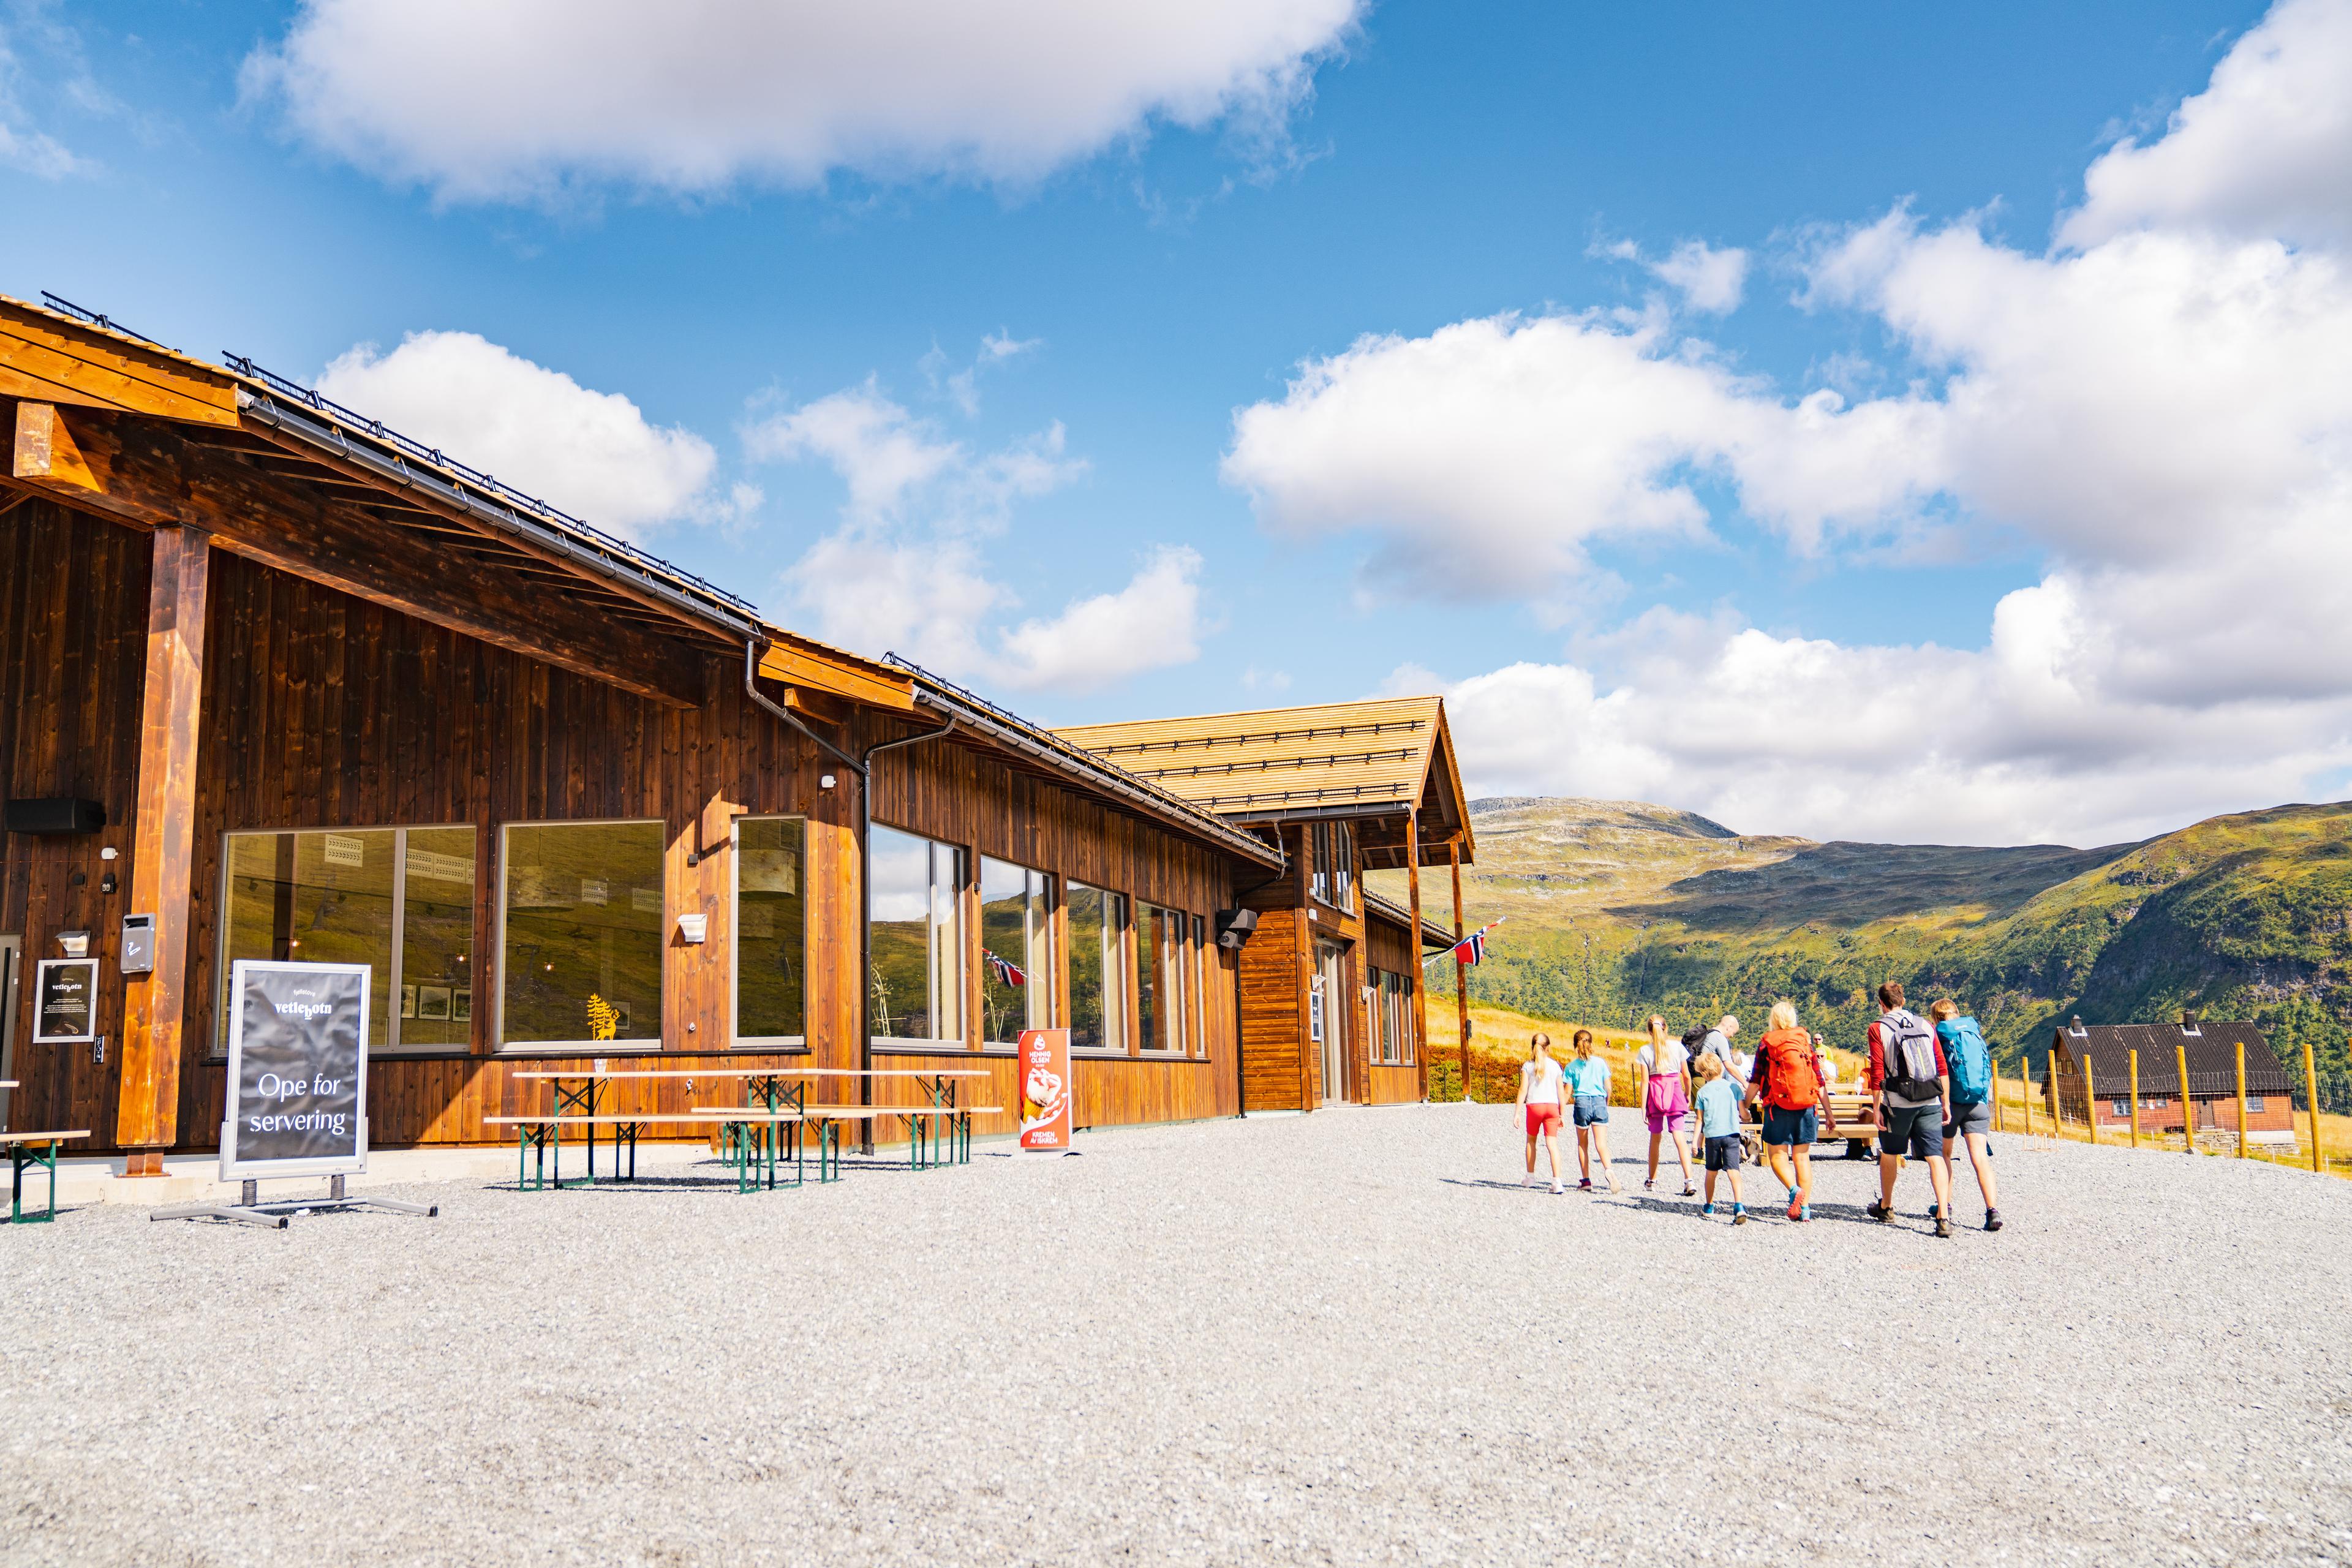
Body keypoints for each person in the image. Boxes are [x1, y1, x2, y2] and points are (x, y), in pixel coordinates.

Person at [1864, 982, 1956, 1239]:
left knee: (1890, 1153)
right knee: (1935, 1156)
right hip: (1930, 1100)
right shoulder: (1926, 1025)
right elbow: (1941, 1067)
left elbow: (1877, 1072)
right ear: (1903, 1001)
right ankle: (1944, 1216)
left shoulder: (1878, 1028)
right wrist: (1945, 1102)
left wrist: (1876, 1106)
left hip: (1898, 1103)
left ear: (1881, 1004)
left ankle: (1886, 1207)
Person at [1746, 999, 1836, 1221]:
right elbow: (1819, 1079)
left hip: (1778, 1106)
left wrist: (1745, 1105)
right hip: (1807, 1105)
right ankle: (1805, 1210)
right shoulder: (1805, 1041)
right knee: (1802, 1158)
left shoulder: (1767, 1043)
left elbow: (1756, 1080)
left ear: (1773, 1020)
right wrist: (1829, 1113)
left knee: (1777, 1156)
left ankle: (1794, 1190)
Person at [1931, 998, 2003, 1232]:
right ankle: (1992, 1211)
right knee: (1980, 1158)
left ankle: (1946, 1207)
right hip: (1978, 1103)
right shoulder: (1973, 1031)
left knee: (1944, 1156)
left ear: (1936, 1017)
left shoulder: (1940, 1035)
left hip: (1950, 1105)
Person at [1636, 1014, 1697, 1195]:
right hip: (1675, 1090)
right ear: (1666, 1028)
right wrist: (1686, 1093)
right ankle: (1689, 1180)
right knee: (1679, 1137)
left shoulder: (1645, 1051)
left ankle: (1652, 1180)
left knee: (1655, 1138)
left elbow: (1645, 1081)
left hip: (1655, 1093)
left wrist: (1643, 1107)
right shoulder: (1677, 1047)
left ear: (1649, 1031)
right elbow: (1686, 1075)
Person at [1692, 1053, 1747, 1223]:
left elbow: (1700, 1120)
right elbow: (1743, 1113)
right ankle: (1739, 1205)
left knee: (1711, 1172)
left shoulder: (1702, 1092)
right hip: (1732, 1135)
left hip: (1713, 1137)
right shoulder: (1734, 1088)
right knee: (1734, 1172)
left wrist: (1696, 1142)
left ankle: (1709, 1206)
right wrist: (1747, 1115)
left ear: (1703, 1073)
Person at [1566, 1029, 1621, 1193]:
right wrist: (1606, 1102)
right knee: (1601, 1144)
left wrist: (1560, 1109)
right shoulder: (1601, 1063)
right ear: (1591, 1043)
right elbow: (1608, 1087)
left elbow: (1568, 1092)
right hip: (1599, 1101)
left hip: (1582, 1102)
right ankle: (1609, 1170)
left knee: (1583, 1145)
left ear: (1575, 1045)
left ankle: (1586, 1180)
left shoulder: (1571, 1067)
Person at [1515, 1033, 1568, 1194]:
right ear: (1548, 1048)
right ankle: (1557, 1181)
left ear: (1533, 1047)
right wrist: (1562, 1114)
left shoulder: (1527, 1067)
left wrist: (1517, 1112)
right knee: (1552, 1144)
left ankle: (1530, 1177)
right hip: (1552, 1107)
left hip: (1534, 1107)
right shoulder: (1555, 1066)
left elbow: (1523, 1090)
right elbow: (1561, 1092)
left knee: (1531, 1141)